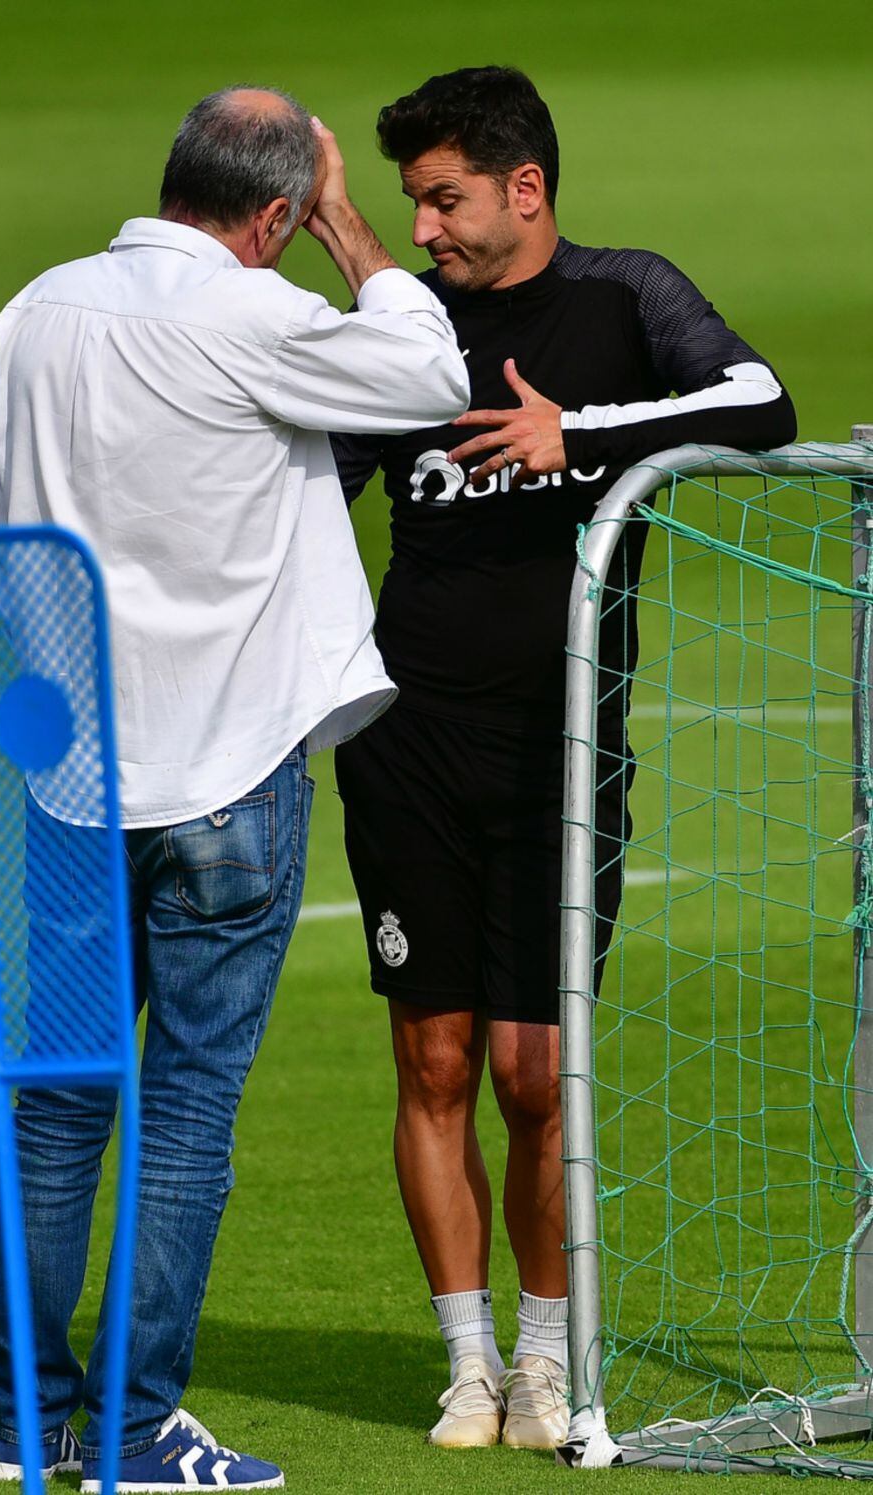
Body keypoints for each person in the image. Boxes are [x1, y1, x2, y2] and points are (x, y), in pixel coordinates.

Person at [0, 86, 469, 1491]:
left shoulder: (34, 311)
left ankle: (25, 1427)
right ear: (272, 214)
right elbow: (428, 371)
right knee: (188, 1112)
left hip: (70, 772)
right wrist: (352, 229)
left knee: (58, 1106)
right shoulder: (257, 316)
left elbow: (12, 501)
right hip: (224, 779)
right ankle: (135, 1431)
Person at [331, 64, 796, 1452]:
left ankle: (547, 1360)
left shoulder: (622, 296)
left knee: (539, 1072)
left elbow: (763, 404)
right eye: (411, 204)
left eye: (446, 199)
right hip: (405, 741)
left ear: (524, 190)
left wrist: (574, 436)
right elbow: (309, 481)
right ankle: (470, 1366)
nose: (428, 230)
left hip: (565, 747)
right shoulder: (408, 334)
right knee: (434, 1063)